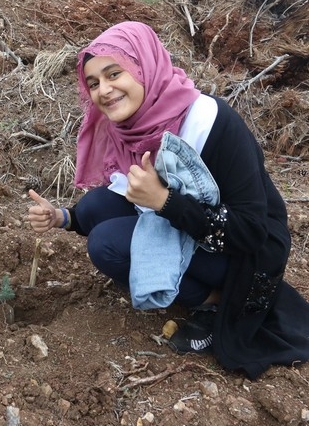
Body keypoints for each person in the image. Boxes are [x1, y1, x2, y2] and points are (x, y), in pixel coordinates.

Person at [27, 21, 309, 380]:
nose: (104, 90)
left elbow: (252, 231)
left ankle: (215, 302)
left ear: (144, 67)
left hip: (247, 253)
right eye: (94, 82)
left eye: (114, 73)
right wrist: (63, 217)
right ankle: (203, 290)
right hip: (192, 225)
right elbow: (123, 193)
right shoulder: (131, 126)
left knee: (107, 245)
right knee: (96, 207)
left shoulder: (210, 122)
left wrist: (166, 202)